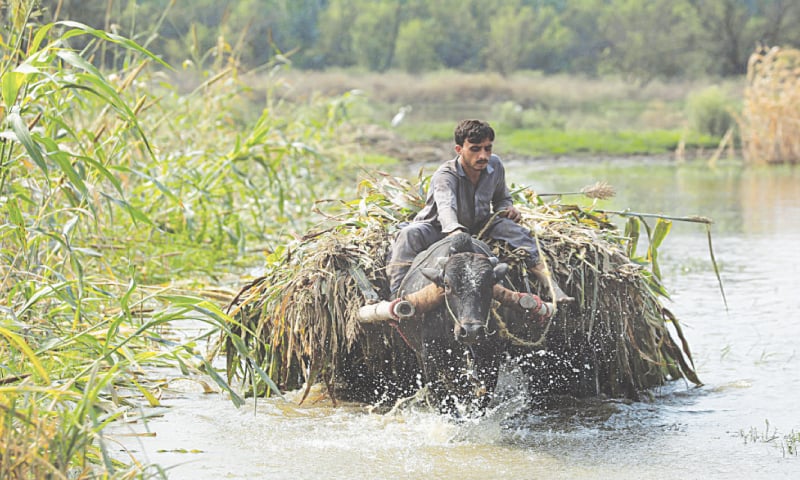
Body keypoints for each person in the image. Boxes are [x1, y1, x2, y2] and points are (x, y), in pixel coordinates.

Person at [387, 119, 572, 303]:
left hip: (480, 225)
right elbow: (446, 207)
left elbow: (502, 198)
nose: (483, 155)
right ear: (459, 150)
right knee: (409, 234)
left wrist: (507, 209)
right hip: (438, 229)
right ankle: (396, 294)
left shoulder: (496, 165)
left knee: (518, 232)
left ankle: (551, 286)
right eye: (475, 149)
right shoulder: (445, 175)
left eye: (488, 148)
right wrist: (455, 231)